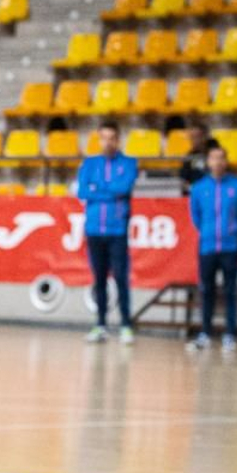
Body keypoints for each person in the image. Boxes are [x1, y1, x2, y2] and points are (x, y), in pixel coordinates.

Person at [187, 143, 237, 353]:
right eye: (213, 158)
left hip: (231, 247)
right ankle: (205, 333)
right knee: (206, 290)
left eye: (221, 158)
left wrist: (236, 232)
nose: (217, 162)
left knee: (230, 291)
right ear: (207, 162)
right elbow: (196, 217)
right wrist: (208, 232)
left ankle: (230, 334)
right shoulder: (198, 188)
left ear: (226, 161)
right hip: (207, 247)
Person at [77, 122, 138, 344]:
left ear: (118, 139)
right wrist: (108, 191)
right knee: (99, 279)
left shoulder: (129, 163)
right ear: (99, 139)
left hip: (117, 230)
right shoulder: (89, 163)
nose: (108, 142)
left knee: (121, 277)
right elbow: (83, 191)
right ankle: (100, 324)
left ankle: (126, 325)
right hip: (94, 230)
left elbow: (124, 188)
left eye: (112, 137)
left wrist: (98, 189)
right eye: (104, 137)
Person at [177, 123, 213, 195]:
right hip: (196, 194)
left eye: (197, 137)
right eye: (191, 137)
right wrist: (193, 189)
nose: (193, 140)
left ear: (205, 137)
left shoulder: (215, 154)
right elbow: (183, 181)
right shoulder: (189, 157)